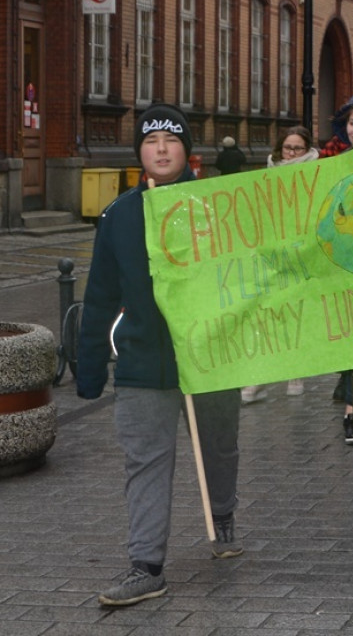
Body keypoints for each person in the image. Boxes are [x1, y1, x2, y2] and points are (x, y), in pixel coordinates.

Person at [77, 103, 243, 607]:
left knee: (218, 448)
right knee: (145, 462)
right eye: (151, 142)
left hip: (210, 357)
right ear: (140, 152)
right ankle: (146, 566)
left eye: (171, 141)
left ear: (187, 151)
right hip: (143, 362)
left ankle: (222, 515)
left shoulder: (215, 205)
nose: (162, 149)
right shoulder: (119, 216)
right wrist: (89, 368)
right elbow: (100, 294)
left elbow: (247, 276)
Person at [241, 126, 319, 403]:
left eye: (298, 148)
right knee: (266, 314)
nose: (292, 153)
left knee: (294, 315)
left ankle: (295, 372)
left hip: (302, 255)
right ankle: (258, 378)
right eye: (288, 148)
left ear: (307, 150)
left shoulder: (316, 173)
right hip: (271, 254)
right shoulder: (268, 172)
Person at [322, 100, 353, 443]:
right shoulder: (333, 165)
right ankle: (352, 408)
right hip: (343, 264)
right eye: (352, 123)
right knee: (352, 334)